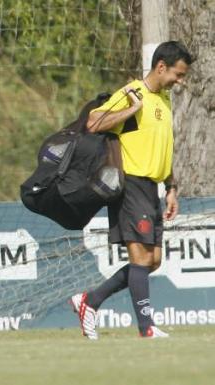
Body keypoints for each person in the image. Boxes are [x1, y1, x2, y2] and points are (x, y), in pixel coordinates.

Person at [70, 41, 192, 339]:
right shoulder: (132, 93)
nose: (180, 81)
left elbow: (163, 149)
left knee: (153, 261)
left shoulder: (164, 99)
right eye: (178, 74)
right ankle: (146, 328)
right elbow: (93, 122)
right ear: (161, 66)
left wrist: (171, 187)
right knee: (140, 259)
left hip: (153, 187)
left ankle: (90, 301)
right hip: (131, 184)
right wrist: (131, 110)